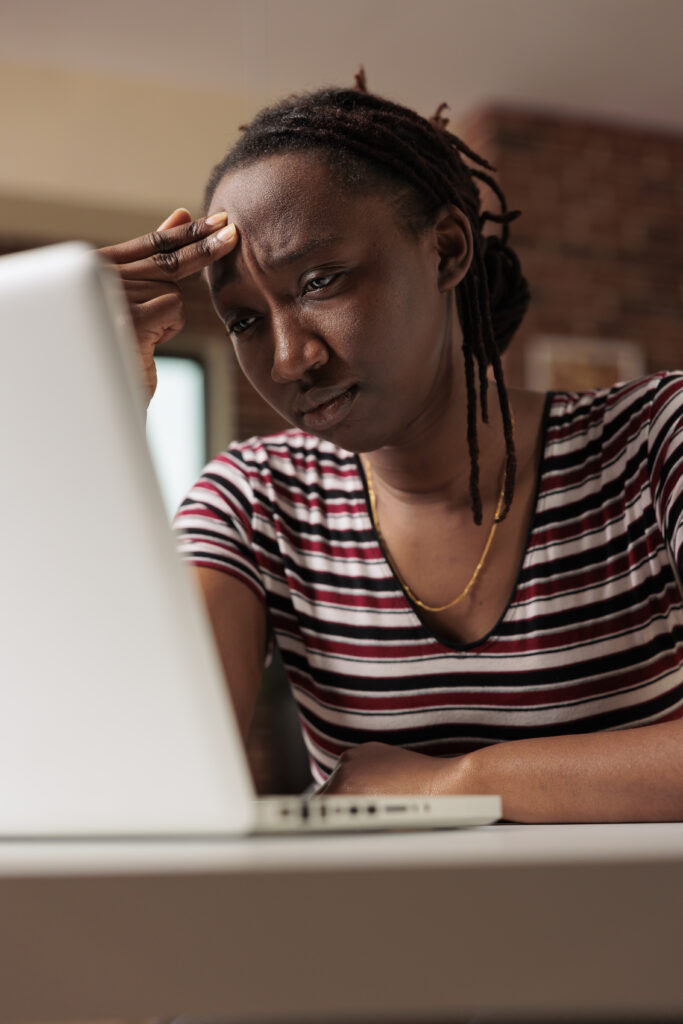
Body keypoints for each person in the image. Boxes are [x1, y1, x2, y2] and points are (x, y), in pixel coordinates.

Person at [99, 73, 683, 822]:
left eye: (320, 280)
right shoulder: (254, 500)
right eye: (244, 320)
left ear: (443, 251)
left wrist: (456, 785)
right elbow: (142, 776)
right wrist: (87, 417)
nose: (288, 359)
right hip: (377, 941)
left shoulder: (656, 438)